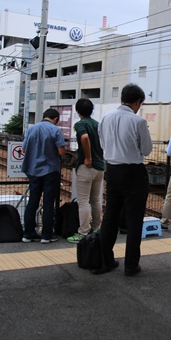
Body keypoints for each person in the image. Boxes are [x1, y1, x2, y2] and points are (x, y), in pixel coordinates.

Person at [97, 83, 153, 276]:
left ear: (122, 98)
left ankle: (105, 261)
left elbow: (103, 144)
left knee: (111, 216)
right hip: (133, 173)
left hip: (112, 171)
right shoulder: (138, 121)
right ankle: (130, 265)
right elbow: (146, 150)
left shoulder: (105, 118)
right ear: (137, 102)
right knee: (134, 219)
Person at [21, 108, 66, 244]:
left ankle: (28, 233)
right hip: (50, 171)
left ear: (43, 116)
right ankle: (46, 235)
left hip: (33, 170)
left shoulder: (32, 129)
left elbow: (24, 149)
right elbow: (61, 151)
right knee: (48, 203)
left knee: (33, 201)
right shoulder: (55, 130)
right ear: (56, 119)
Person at [67, 98, 105, 243]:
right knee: (95, 199)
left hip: (87, 167)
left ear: (78, 111)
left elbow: (84, 137)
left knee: (83, 201)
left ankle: (82, 232)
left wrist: (88, 157)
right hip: (100, 167)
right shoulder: (98, 124)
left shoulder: (81, 124)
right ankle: (96, 228)